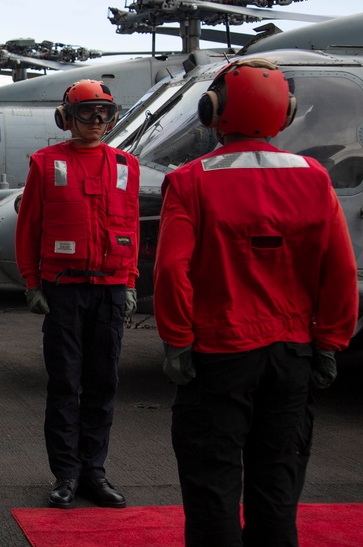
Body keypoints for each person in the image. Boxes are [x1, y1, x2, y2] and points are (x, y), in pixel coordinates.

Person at [153, 58, 358, 546]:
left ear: (212, 110)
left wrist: (178, 340)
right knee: (278, 491)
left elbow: (170, 269)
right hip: (291, 356)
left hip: (218, 357)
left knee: (212, 491)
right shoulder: (313, 177)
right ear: (284, 114)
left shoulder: (190, 180)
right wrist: (330, 340)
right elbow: (341, 270)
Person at [14, 79, 138, 510]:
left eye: (104, 112)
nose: (97, 121)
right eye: (87, 112)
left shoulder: (126, 164)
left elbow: (132, 226)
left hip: (110, 289)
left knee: (103, 383)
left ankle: (94, 472)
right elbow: (29, 226)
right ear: (66, 118)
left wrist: (132, 280)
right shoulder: (46, 163)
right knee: (65, 383)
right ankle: (65, 474)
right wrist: (32, 282)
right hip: (64, 289)